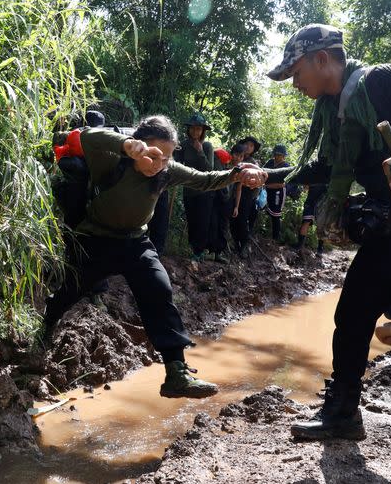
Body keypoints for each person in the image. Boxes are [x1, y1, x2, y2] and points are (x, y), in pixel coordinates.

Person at [241, 23, 391, 466]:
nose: (296, 84)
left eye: (296, 73)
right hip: (388, 226)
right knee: (351, 314)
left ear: (322, 59)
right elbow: (323, 167)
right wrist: (269, 175)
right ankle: (342, 413)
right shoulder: (334, 110)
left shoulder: (382, 80)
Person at [45, 115, 253, 398]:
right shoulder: (109, 158)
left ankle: (176, 373)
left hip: (135, 242)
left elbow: (204, 180)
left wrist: (236, 174)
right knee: (69, 292)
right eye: (154, 155)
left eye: (167, 157)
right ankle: (44, 331)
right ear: (138, 146)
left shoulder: (167, 170)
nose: (160, 164)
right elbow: (85, 136)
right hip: (96, 240)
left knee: (159, 291)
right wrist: (128, 145)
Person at [175, 113, 215, 262]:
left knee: (202, 222)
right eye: (192, 128)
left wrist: (200, 152)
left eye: (198, 129)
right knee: (192, 221)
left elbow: (209, 169)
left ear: (203, 131)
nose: (195, 132)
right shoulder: (184, 145)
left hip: (204, 190)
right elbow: (176, 162)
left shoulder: (207, 146)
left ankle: (199, 252)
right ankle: (193, 249)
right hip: (189, 189)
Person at [230, 137, 261, 255]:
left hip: (247, 194)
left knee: (242, 219)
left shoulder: (253, 162)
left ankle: (244, 245)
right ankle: (235, 243)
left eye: (251, 146)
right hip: (232, 192)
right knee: (233, 219)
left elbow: (257, 180)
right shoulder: (236, 157)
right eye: (247, 144)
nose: (248, 147)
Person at [207, 149, 233, 263]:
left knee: (218, 227)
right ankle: (213, 253)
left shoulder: (223, 171)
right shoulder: (221, 171)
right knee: (216, 226)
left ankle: (215, 253)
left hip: (220, 204)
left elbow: (225, 193)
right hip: (218, 204)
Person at [263, 144, 290, 241]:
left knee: (276, 214)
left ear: (283, 156)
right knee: (268, 210)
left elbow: (282, 184)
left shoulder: (286, 167)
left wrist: (267, 186)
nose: (276, 156)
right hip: (268, 191)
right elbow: (263, 172)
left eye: (279, 155)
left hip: (278, 193)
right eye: (275, 154)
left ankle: (276, 237)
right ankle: (267, 232)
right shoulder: (270, 162)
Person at [294, 184, 327, 256]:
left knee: (307, 222)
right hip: (319, 202)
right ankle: (319, 249)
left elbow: (305, 188)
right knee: (320, 225)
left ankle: (300, 246)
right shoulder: (328, 174)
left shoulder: (312, 174)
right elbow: (305, 188)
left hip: (315, 201)